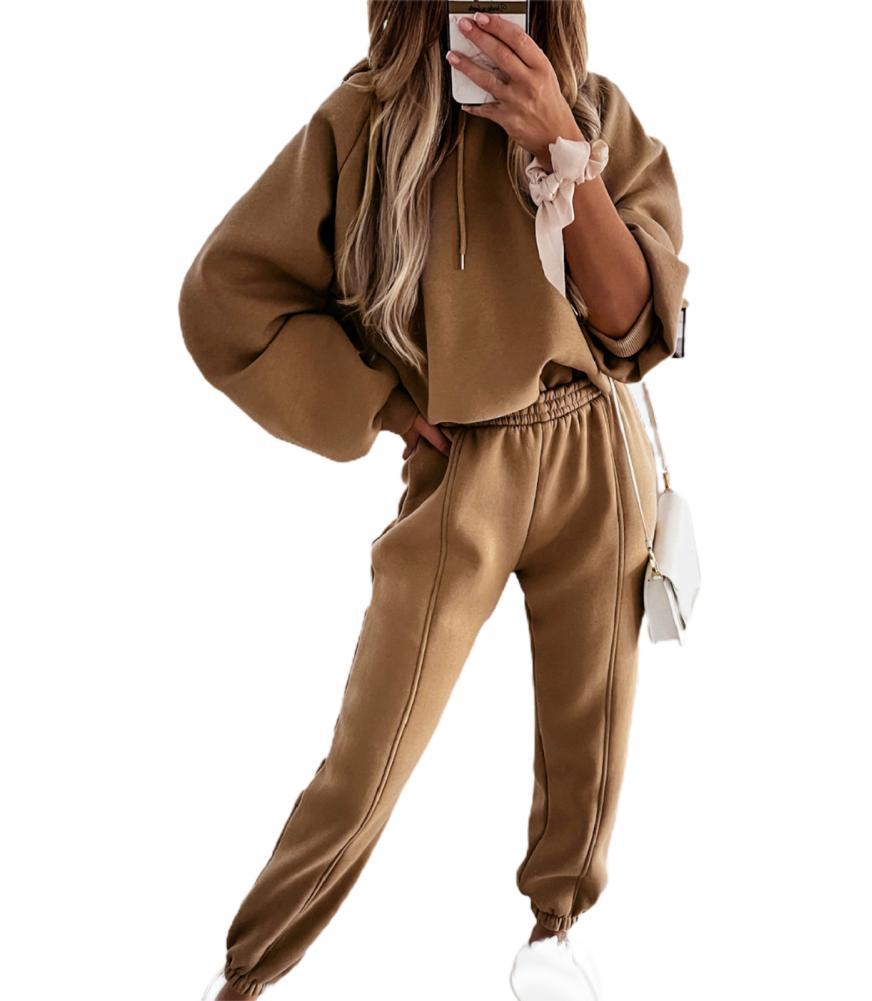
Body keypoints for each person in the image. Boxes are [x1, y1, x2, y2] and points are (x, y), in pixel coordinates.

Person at [179, 2, 689, 998]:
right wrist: (375, 402)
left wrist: (559, 143)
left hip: (595, 448)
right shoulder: (363, 124)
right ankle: (245, 973)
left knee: (591, 735)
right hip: (464, 459)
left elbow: (633, 325)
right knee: (369, 756)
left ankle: (554, 935)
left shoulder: (594, 113)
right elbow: (224, 295)